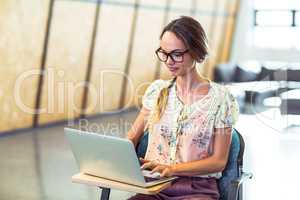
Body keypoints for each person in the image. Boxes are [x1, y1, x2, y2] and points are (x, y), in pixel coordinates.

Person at [126, 16, 239, 200]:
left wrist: (172, 169)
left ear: (195, 51)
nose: (168, 61)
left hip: (196, 191)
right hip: (153, 189)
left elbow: (218, 162)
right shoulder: (157, 91)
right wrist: (111, 162)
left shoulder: (221, 99)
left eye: (176, 54)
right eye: (164, 53)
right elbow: (132, 137)